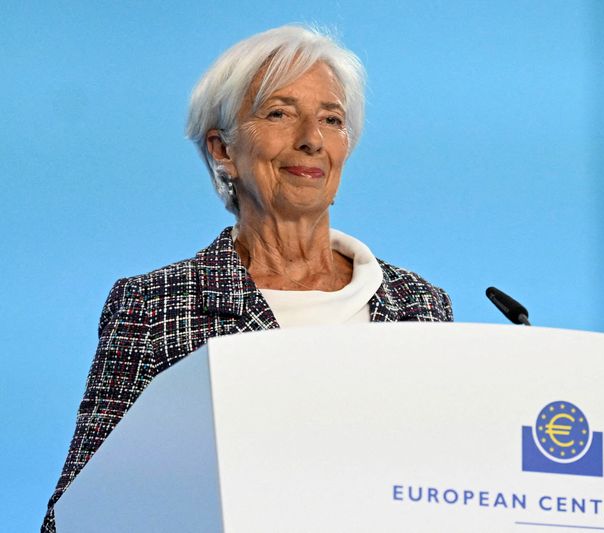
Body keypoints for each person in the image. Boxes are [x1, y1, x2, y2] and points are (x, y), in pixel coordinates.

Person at [42, 25, 452, 532]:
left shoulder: (420, 306)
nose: (310, 140)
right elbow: (76, 511)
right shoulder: (153, 305)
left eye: (331, 119)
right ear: (223, 150)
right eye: (279, 113)